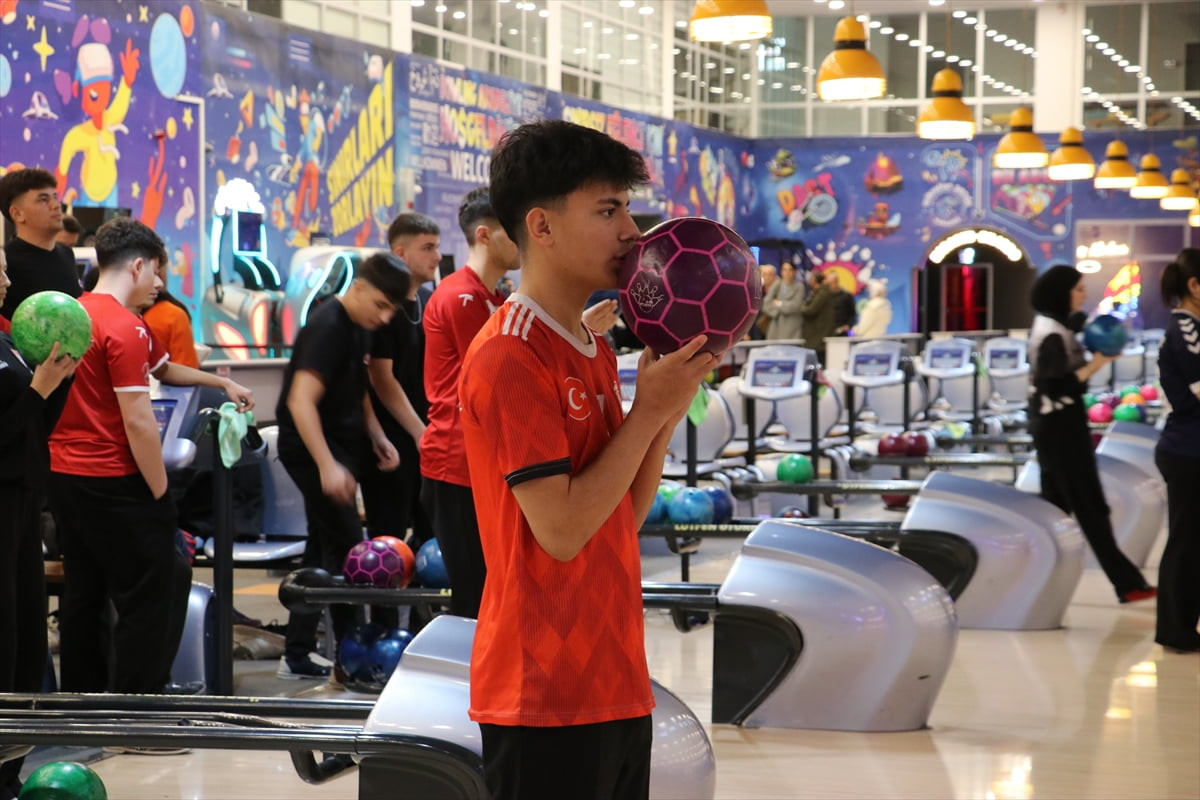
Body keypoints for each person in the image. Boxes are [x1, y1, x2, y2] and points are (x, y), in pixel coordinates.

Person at [459, 119, 717, 800]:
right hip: (540, 689)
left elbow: (621, 517)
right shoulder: (510, 352)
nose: (632, 231)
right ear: (540, 228)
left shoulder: (591, 342)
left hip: (614, 675)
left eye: (627, 206)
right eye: (608, 210)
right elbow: (564, 531)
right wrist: (649, 413)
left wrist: (664, 405)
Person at [48, 219, 253, 705]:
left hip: (65, 476)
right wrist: (160, 490)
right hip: (114, 478)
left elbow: (162, 368)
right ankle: (140, 704)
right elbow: (139, 422)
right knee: (158, 584)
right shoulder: (123, 325)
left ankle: (83, 703)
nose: (160, 285)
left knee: (86, 592)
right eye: (158, 274)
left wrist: (220, 382)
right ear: (138, 266)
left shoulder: (78, 314)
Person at [274, 252, 409, 680]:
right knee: (349, 550)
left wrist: (377, 436)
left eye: (393, 309)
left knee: (325, 547)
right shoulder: (327, 327)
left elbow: (358, 389)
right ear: (360, 288)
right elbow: (300, 401)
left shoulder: (359, 326)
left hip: (342, 447)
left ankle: (297, 653)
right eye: (382, 305)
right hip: (312, 449)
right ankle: (350, 662)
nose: (386, 318)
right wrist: (327, 466)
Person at [418, 187, 520, 619]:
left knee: (495, 596)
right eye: (513, 232)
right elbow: (498, 379)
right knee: (475, 601)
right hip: (456, 464)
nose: (523, 242)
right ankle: (467, 686)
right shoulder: (462, 298)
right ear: (485, 235)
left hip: (482, 462)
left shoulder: (494, 297)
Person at [1027, 265, 1154, 604]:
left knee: (1059, 504)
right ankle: (1127, 583)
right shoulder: (1051, 332)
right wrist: (1099, 362)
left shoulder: (1054, 326)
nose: (1084, 295)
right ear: (1062, 292)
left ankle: (1040, 579)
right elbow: (1058, 385)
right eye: (1079, 289)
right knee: (1088, 504)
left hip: (1057, 425)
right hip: (1060, 428)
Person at [0, 247, 78, 800]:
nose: (7, 277)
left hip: (24, 504)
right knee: (3, 636)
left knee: (27, 638)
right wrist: (36, 391)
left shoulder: (7, 340)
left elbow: (35, 426)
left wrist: (60, 377)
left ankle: (10, 768)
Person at [362, 214, 439, 548]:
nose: (436, 256)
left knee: (431, 530)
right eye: (428, 248)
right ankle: (384, 603)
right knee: (388, 537)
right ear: (401, 253)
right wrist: (418, 431)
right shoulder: (382, 310)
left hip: (422, 435)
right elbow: (382, 377)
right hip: (391, 439)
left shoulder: (425, 301)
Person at [1153, 248, 1200, 652]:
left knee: (1192, 541)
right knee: (1186, 541)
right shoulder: (1186, 328)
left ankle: (1185, 626)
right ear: (1194, 287)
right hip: (1187, 450)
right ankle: (1175, 629)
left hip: (1191, 448)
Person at [0, 169, 80, 320]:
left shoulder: (66, 253)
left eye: (55, 197)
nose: (56, 205)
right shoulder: (6, 264)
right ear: (17, 214)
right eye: (43, 199)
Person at [141, 260, 200, 369]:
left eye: (157, 273)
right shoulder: (173, 314)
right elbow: (187, 369)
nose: (159, 283)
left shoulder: (171, 314)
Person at [799, 269, 836, 362]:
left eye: (811, 278)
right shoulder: (819, 292)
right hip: (817, 336)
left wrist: (801, 307)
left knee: (818, 365)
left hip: (818, 336)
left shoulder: (822, 293)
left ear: (814, 280)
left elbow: (810, 310)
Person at [761, 262, 804, 340]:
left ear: (794, 272)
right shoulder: (777, 285)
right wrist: (777, 311)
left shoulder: (799, 287)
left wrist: (779, 303)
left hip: (792, 328)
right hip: (776, 328)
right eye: (784, 270)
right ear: (781, 272)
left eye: (790, 270)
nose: (787, 273)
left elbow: (795, 306)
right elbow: (766, 304)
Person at [828, 270, 857, 335]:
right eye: (829, 283)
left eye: (832, 282)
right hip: (828, 331)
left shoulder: (846, 295)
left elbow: (852, 313)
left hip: (843, 331)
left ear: (837, 281)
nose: (830, 285)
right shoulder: (825, 296)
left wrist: (848, 325)